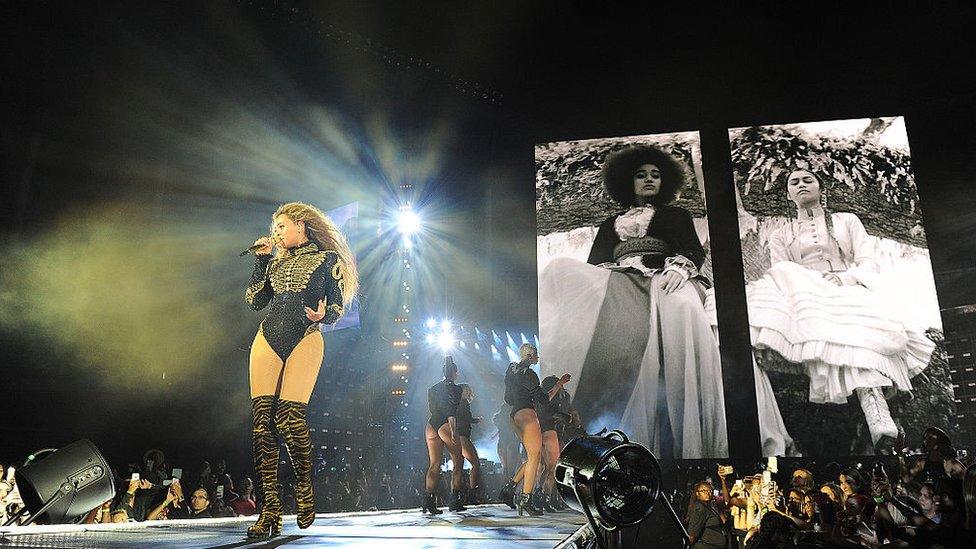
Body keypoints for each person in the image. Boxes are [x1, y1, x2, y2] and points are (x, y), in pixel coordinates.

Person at [539, 144, 728, 458]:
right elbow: (594, 263)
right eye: (641, 175)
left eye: (655, 175)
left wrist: (680, 268)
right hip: (618, 278)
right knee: (559, 269)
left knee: (681, 306)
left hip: (664, 275)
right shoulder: (610, 224)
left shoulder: (676, 215)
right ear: (629, 182)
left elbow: (693, 250)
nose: (649, 180)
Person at [744, 168, 934, 453]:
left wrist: (844, 278)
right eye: (794, 182)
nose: (801, 184)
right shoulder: (781, 235)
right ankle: (871, 409)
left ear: (822, 188)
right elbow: (779, 275)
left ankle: (875, 408)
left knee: (859, 328)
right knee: (787, 277)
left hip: (848, 285)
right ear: (788, 194)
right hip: (805, 293)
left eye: (808, 179)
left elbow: (868, 260)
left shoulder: (847, 221)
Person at [244, 202, 358, 537]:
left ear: (301, 225)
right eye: (273, 227)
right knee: (262, 425)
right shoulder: (275, 261)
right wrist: (262, 260)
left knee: (290, 419)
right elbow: (254, 301)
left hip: (306, 336)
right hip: (268, 337)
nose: (275, 232)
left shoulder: (328, 260)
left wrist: (325, 316)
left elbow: (337, 306)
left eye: (281, 226)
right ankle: (270, 513)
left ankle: (304, 489)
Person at [498, 344, 571, 516]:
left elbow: (507, 398)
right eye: (536, 355)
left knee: (534, 458)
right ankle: (526, 499)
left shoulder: (511, 371)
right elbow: (544, 400)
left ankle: (509, 489)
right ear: (531, 356)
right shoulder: (529, 374)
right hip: (527, 414)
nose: (537, 359)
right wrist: (559, 383)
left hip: (515, 415)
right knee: (534, 459)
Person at [423, 356, 465, 514]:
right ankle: (455, 500)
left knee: (434, 464)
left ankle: (428, 501)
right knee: (458, 461)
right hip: (446, 425)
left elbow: (433, 408)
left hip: (431, 425)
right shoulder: (456, 389)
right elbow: (451, 410)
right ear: (455, 372)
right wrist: (453, 431)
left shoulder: (433, 388)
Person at [455, 383, 482, 504]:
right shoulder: (463, 403)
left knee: (459, 466)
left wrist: (476, 420)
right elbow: (465, 419)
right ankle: (471, 493)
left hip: (458, 436)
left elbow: (466, 418)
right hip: (462, 436)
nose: (467, 392)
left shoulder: (456, 404)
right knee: (475, 463)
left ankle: (458, 497)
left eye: (468, 390)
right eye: (465, 390)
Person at [686, 480, 732, 549]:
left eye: (710, 491)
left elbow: (723, 521)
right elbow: (692, 534)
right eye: (704, 491)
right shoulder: (700, 508)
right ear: (697, 493)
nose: (708, 493)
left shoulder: (709, 506)